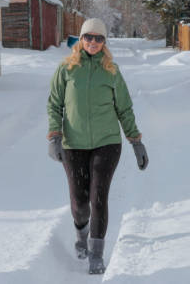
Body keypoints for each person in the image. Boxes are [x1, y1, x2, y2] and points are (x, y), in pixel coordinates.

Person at [47, 18, 149, 274]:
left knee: (98, 198)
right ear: (80, 39)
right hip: (73, 144)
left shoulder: (112, 71)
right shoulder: (66, 69)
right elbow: (54, 104)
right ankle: (80, 235)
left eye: (98, 38)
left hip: (107, 143)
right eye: (88, 37)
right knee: (80, 203)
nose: (93, 42)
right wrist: (54, 136)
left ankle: (96, 252)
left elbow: (124, 108)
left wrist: (135, 141)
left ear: (105, 43)